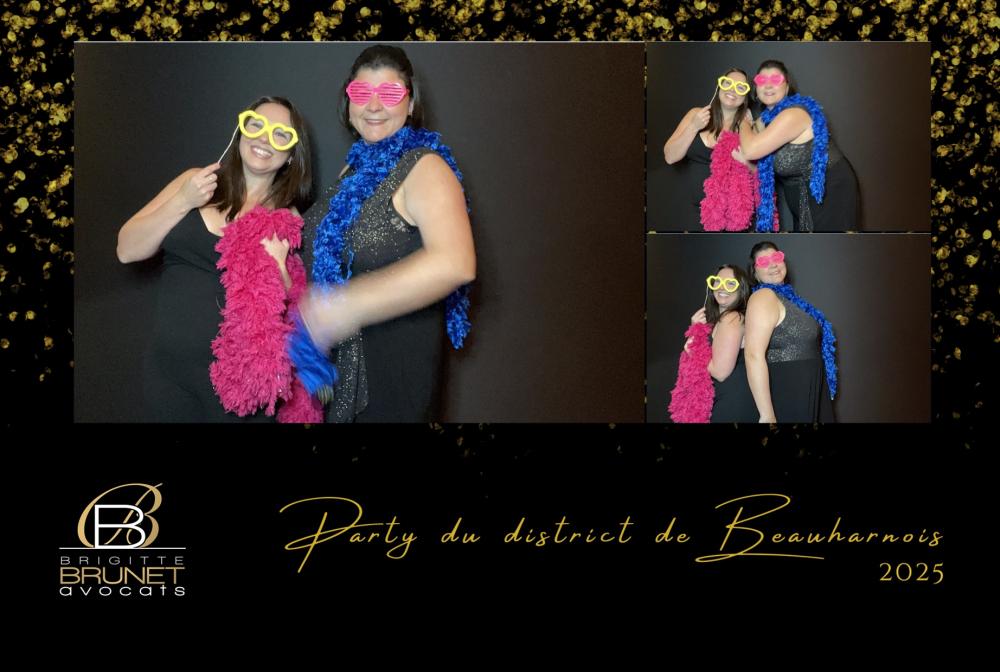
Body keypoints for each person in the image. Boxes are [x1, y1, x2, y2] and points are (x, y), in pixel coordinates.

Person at [295, 45, 476, 422]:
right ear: (348, 102)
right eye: (361, 92)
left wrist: (344, 305)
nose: (373, 105)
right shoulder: (351, 173)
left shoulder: (426, 167)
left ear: (410, 103)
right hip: (337, 379)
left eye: (390, 93)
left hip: (391, 382)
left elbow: (456, 263)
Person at [117, 96, 314, 422]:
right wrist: (183, 201)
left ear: (291, 154)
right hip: (167, 375)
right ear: (241, 131)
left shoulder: (286, 217)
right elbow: (127, 250)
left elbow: (296, 311)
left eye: (281, 134)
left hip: (236, 392)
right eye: (256, 125)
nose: (265, 138)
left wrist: (279, 266)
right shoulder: (195, 181)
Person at [737, 60, 859, 232]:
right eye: (762, 80)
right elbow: (751, 144)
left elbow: (750, 150)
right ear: (756, 89)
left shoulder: (794, 114)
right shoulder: (766, 120)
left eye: (776, 79)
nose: (768, 85)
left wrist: (743, 121)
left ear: (787, 87)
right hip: (799, 196)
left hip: (827, 188)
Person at [744, 241, 837, 423]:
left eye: (776, 257)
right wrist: (767, 415)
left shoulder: (789, 298)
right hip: (790, 392)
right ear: (754, 273)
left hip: (809, 388)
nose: (772, 264)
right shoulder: (763, 296)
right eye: (763, 262)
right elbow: (753, 355)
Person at [663, 68, 757, 231]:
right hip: (688, 212)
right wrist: (693, 126)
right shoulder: (696, 114)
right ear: (719, 87)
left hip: (727, 217)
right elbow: (670, 157)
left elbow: (760, 173)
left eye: (741, 87)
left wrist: (746, 162)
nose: (732, 90)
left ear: (745, 97)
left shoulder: (746, 127)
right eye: (727, 83)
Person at [669, 265, 756, 423]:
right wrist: (696, 330)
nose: (722, 287)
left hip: (729, 402)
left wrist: (692, 350)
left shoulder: (732, 318)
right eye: (717, 281)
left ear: (741, 289)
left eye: (731, 283)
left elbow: (720, 372)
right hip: (720, 401)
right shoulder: (719, 320)